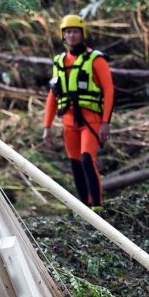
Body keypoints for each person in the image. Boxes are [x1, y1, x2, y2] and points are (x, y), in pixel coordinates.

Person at [43, 14, 114, 209]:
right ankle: (85, 207)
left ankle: (97, 206)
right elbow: (52, 96)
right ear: (63, 36)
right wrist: (47, 126)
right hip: (68, 122)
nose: (71, 36)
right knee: (75, 164)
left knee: (86, 159)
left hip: (91, 120)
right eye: (68, 32)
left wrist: (106, 122)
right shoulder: (59, 61)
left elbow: (109, 91)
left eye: (75, 32)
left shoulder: (96, 59)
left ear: (82, 34)